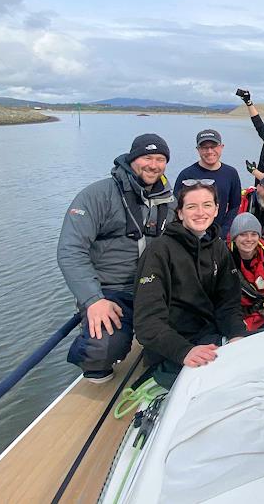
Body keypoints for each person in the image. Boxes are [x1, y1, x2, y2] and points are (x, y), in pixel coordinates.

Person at [58, 133, 176, 383]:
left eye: (160, 159)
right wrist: (93, 300)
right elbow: (70, 250)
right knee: (102, 349)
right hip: (111, 290)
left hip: (154, 287)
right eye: (147, 157)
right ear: (132, 158)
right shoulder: (97, 195)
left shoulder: (169, 200)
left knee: (187, 333)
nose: (153, 165)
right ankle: (92, 350)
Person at [133, 182, 246, 389]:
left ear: (216, 210)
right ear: (180, 213)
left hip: (210, 337)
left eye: (207, 205)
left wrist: (236, 334)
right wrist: (184, 351)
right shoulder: (159, 252)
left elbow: (228, 302)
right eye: (192, 207)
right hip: (174, 345)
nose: (200, 212)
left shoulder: (219, 248)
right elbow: (147, 322)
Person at [174, 129, 241, 237]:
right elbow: (176, 206)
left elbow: (235, 206)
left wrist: (223, 231)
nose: (209, 151)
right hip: (190, 234)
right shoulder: (186, 175)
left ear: (221, 147)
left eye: (213, 146)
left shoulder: (231, 173)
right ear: (198, 149)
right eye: (204, 147)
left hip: (218, 235)